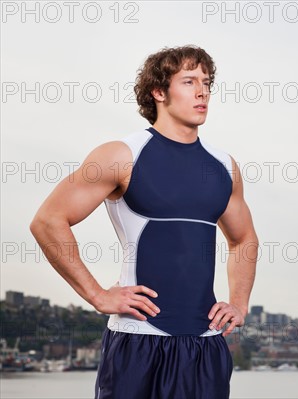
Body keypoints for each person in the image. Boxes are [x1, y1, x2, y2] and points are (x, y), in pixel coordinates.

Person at [29, 45, 259, 399]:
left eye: (207, 82)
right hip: (139, 341)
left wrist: (239, 304)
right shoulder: (121, 155)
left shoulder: (224, 166)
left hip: (205, 345)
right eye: (189, 81)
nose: (202, 92)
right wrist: (97, 295)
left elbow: (244, 240)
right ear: (159, 91)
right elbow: (48, 221)